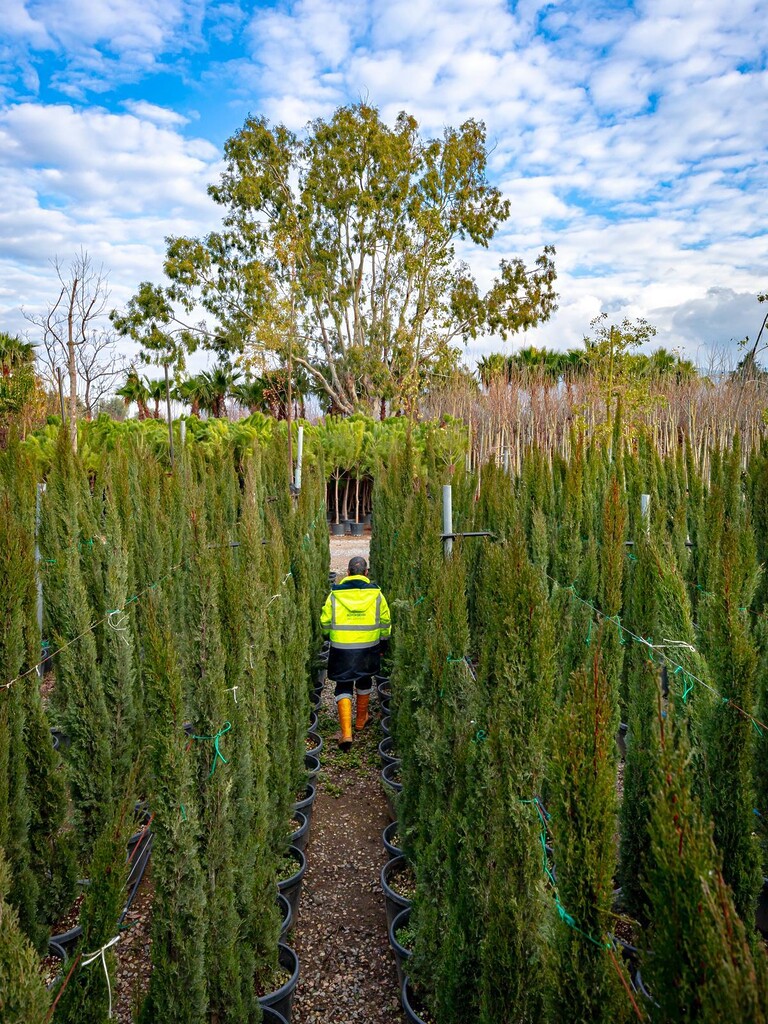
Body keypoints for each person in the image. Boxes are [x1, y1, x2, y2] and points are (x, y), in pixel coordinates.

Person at [320, 556, 391, 751]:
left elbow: (325, 623)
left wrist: (329, 636)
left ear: (348, 573)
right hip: (368, 649)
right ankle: (361, 720)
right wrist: (382, 646)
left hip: (341, 649)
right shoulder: (377, 595)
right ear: (366, 573)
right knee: (365, 680)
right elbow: (385, 623)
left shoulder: (334, 596)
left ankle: (346, 732)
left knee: (343, 683)